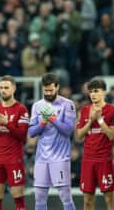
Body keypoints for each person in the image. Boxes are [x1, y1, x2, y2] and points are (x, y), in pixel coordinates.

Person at [28, 73, 77, 210]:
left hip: (60, 158)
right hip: (41, 158)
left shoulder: (68, 104)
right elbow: (31, 133)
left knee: (65, 196)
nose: (48, 93)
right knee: (39, 197)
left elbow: (68, 131)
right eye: (45, 90)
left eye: (51, 90)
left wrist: (53, 119)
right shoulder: (37, 106)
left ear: (57, 87)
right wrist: (42, 123)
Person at [0, 75, 29, 210]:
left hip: (14, 159)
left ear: (14, 89)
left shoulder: (21, 109)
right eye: (1, 88)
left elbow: (22, 136)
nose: (3, 90)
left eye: (6, 88)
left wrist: (7, 123)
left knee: (18, 197)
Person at [75, 78, 114, 210]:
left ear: (104, 92)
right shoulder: (84, 110)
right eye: (90, 92)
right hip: (88, 159)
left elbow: (111, 135)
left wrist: (99, 119)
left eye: (96, 91)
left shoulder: (113, 110)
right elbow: (79, 135)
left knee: (109, 198)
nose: (93, 94)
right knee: (87, 200)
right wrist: (90, 120)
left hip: (104, 160)